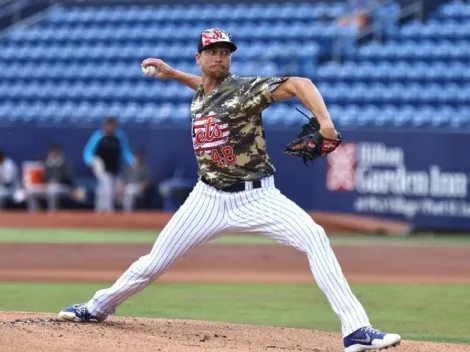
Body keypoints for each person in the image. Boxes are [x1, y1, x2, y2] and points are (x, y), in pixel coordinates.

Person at [58, 28, 401, 351]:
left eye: (225, 52)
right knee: (153, 263)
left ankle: (355, 329)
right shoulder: (201, 93)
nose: (220, 57)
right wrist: (174, 74)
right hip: (206, 198)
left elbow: (300, 83)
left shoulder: (244, 90)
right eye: (212, 52)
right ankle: (97, 307)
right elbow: (204, 88)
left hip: (257, 197)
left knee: (314, 237)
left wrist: (325, 123)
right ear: (199, 58)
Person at [83, 116, 135, 213]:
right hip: (102, 167)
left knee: (108, 190)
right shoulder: (98, 136)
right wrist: (90, 161)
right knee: (108, 189)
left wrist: (132, 161)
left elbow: (125, 151)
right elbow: (88, 151)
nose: (110, 128)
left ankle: (99, 210)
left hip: (115, 167)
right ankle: (109, 211)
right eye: (108, 125)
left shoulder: (119, 136)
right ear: (105, 126)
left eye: (112, 125)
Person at [26, 144, 74, 212]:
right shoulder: (47, 164)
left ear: (59, 152)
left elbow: (69, 178)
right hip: (48, 187)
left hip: (63, 187)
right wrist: (45, 184)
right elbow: (44, 178)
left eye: (55, 152)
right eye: (51, 152)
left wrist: (56, 181)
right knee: (32, 191)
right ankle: (33, 215)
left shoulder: (65, 163)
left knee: (52, 192)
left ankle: (52, 215)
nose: (53, 154)